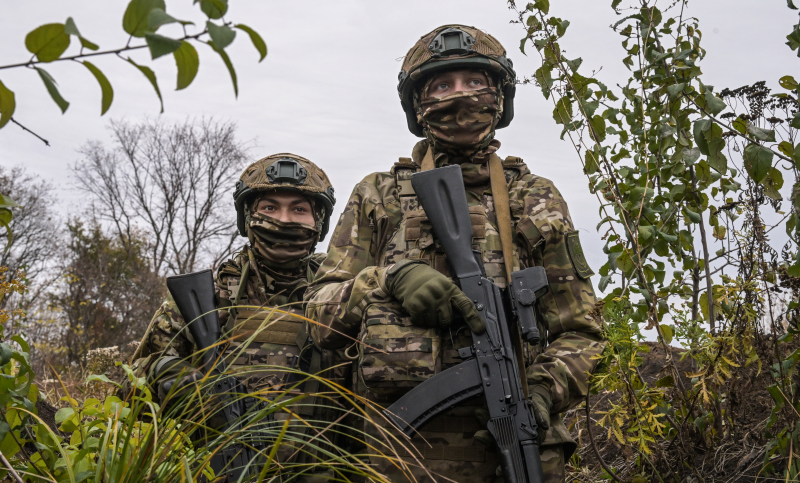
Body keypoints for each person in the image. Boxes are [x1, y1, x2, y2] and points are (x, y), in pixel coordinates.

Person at [305, 25, 606, 483]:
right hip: (398, 457)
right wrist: (387, 279)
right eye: (442, 85)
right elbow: (317, 317)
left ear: (499, 97)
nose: (459, 97)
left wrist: (543, 393)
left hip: (516, 451)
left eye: (474, 82)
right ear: (418, 105)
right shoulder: (379, 195)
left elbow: (581, 331)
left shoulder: (535, 197)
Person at [130, 153, 344, 480]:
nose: (284, 220)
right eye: (269, 208)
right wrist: (172, 379)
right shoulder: (205, 302)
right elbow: (129, 401)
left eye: (299, 209)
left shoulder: (342, 299)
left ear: (319, 223)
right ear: (247, 218)